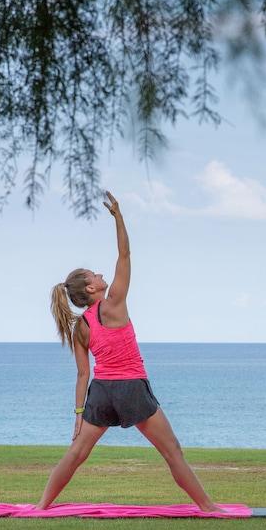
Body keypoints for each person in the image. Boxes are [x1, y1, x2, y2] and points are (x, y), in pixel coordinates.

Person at [36, 191, 221, 512]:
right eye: (95, 274)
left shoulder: (82, 325)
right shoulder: (114, 304)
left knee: (77, 453)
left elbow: (83, 375)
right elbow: (125, 256)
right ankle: (208, 507)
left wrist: (78, 415)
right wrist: (119, 216)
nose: (101, 275)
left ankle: (40, 506)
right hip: (131, 388)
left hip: (102, 393)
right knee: (172, 451)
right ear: (91, 288)